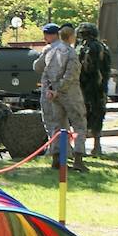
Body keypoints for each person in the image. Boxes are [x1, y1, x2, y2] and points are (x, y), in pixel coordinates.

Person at [34, 23, 88, 171]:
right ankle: (78, 159)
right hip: (70, 94)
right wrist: (59, 89)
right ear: (71, 36)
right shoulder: (70, 52)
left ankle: (57, 159)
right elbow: (71, 74)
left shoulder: (49, 50)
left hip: (54, 95)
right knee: (79, 124)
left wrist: (51, 90)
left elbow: (42, 71)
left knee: (57, 125)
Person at [76, 22, 111, 155]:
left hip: (85, 88)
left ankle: (81, 148)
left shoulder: (82, 48)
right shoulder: (103, 48)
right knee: (98, 115)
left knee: (82, 116)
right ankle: (97, 146)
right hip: (100, 88)